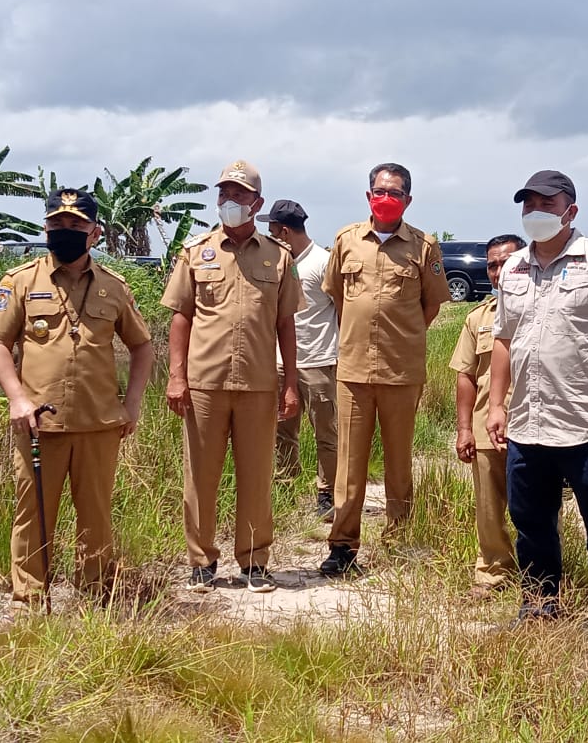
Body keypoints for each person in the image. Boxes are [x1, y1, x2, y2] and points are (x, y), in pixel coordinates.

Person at [487, 170, 588, 662]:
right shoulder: (512, 266)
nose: (536, 211)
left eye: (546, 203)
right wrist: (496, 404)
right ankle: (539, 606)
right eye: (528, 203)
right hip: (528, 420)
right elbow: (503, 340)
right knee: (530, 522)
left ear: (570, 210)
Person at [0, 188, 154, 610]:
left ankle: (94, 596)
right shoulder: (20, 281)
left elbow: (142, 346)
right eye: (57, 223)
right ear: (45, 228)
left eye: (75, 225)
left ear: (94, 233)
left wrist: (131, 405)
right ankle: (30, 599)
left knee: (95, 516)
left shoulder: (114, 288)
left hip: (98, 422)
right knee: (33, 514)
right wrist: (17, 400)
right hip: (40, 422)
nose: (65, 231)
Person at [161, 160, 304, 594]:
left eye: (239, 195)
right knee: (200, 475)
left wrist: (291, 384)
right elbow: (181, 318)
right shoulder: (195, 252)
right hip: (204, 384)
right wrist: (176, 376)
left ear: (257, 203)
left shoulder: (278, 257)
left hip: (259, 384)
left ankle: (255, 562)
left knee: (257, 476)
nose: (229, 201)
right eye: (224, 193)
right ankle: (201, 561)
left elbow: (285, 325)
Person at [319, 162, 451, 576]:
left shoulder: (424, 247)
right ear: (368, 196)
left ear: (408, 200)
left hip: (401, 371)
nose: (386, 198)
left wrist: (404, 336)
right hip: (354, 371)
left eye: (394, 193)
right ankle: (343, 546)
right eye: (379, 191)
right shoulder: (346, 241)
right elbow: (338, 297)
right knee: (349, 465)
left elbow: (431, 304)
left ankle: (399, 542)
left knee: (398, 462)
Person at [449, 233, 526, 595]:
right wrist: (464, 429)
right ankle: (493, 572)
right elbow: (465, 375)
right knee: (489, 508)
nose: (498, 271)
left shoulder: (544, 309)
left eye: (506, 262)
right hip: (486, 425)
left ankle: (540, 575)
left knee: (535, 506)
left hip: (534, 424)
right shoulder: (478, 318)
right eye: (492, 265)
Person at [260, 199, 340, 521]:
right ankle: (285, 488)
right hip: (281, 364)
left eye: (271, 230)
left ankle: (327, 493)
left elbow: (343, 310)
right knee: (282, 430)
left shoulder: (323, 263)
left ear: (283, 231)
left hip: (319, 361)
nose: (269, 235)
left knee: (326, 432)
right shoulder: (276, 263)